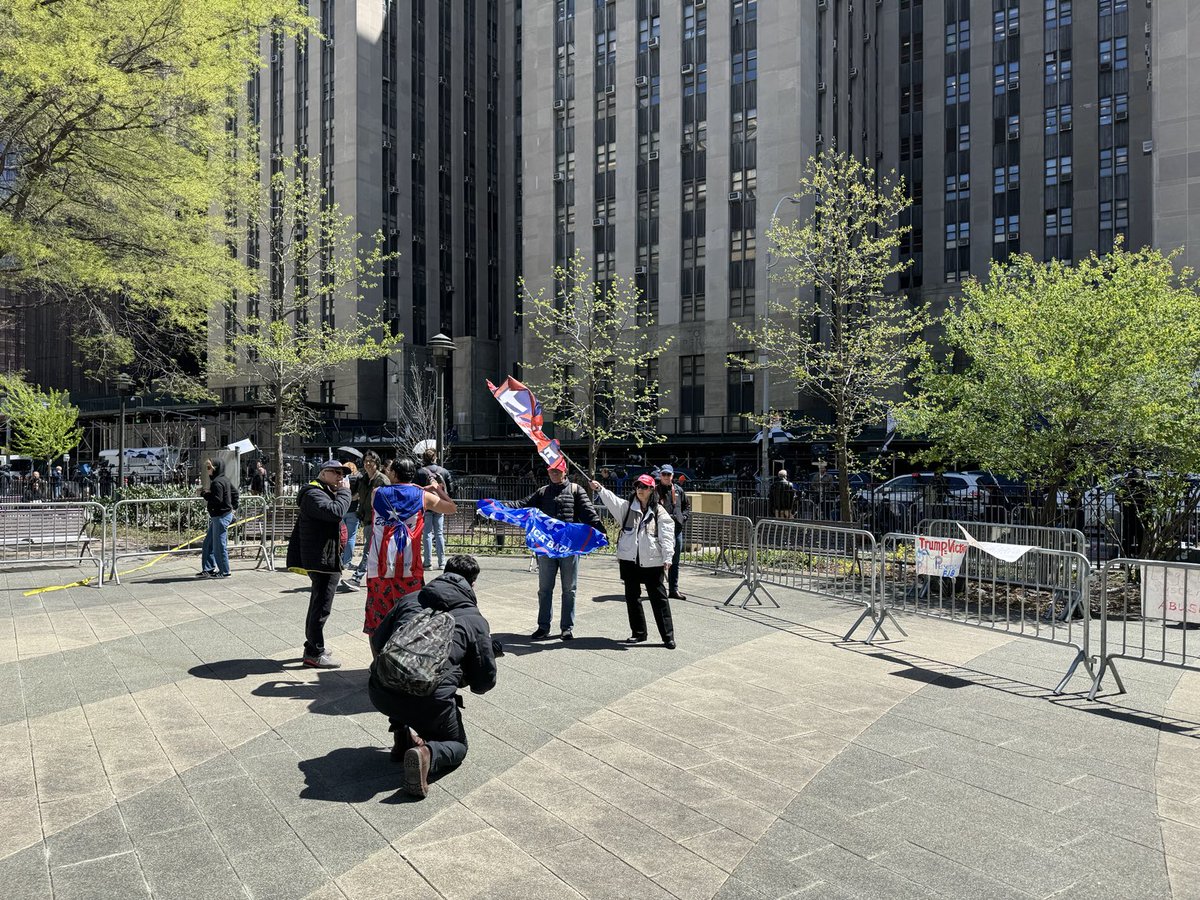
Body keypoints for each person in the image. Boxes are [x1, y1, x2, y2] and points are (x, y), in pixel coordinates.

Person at [367, 554, 498, 798]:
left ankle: (402, 738)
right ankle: (426, 755)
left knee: (403, 679)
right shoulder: (474, 620)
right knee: (457, 745)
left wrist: (386, 674)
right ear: (472, 584)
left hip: (380, 692)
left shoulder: (409, 598)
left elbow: (377, 640)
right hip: (430, 703)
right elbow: (483, 683)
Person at [363, 456, 457, 636]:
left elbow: (393, 492)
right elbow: (452, 508)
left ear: (394, 474)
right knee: (411, 615)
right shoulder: (424, 496)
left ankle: (378, 661)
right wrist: (437, 489)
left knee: (377, 618)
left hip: (379, 565)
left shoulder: (377, 493)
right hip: (409, 566)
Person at [519, 463, 604, 640]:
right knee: (544, 589)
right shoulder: (542, 491)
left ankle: (566, 627)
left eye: (558, 470)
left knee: (569, 589)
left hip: (569, 548)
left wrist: (600, 532)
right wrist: (499, 507)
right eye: (551, 471)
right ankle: (543, 626)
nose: (554, 473)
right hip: (547, 549)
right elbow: (522, 505)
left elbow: (589, 513)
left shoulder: (575, 490)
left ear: (565, 472)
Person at [591, 474, 677, 649]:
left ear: (651, 489)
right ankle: (638, 633)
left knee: (658, 599)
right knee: (632, 597)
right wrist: (600, 489)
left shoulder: (659, 511)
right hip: (629, 560)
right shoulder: (627, 507)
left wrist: (668, 557)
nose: (640, 489)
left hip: (653, 561)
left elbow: (667, 536)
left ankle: (668, 636)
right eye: (638, 485)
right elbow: (612, 500)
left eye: (644, 486)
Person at [287, 460, 353, 668]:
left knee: (319, 603)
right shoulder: (313, 493)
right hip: (320, 559)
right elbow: (335, 512)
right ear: (324, 473)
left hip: (325, 556)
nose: (341, 477)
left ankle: (313, 646)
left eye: (343, 474)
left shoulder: (322, 491)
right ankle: (314, 652)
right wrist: (345, 493)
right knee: (321, 606)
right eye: (336, 473)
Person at [346, 451, 388, 589]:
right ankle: (381, 578)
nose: (368, 464)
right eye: (366, 461)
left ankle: (357, 578)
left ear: (377, 463)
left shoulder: (382, 480)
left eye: (371, 461)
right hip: (367, 519)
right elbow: (358, 496)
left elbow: (388, 502)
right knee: (376, 552)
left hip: (378, 521)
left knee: (368, 551)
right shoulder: (363, 479)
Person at [655, 464, 690, 601]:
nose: (666, 477)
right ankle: (658, 588)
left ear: (672, 476)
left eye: (668, 475)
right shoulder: (655, 491)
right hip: (660, 531)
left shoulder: (679, 490)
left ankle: (673, 590)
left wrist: (683, 517)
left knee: (675, 561)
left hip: (676, 530)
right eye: (663, 474)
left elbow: (687, 506)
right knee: (659, 560)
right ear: (660, 475)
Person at [198, 458, 239, 578]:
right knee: (209, 543)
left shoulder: (217, 482)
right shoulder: (223, 480)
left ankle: (225, 571)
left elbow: (217, 499)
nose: (208, 470)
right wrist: (233, 508)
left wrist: (205, 494)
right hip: (220, 516)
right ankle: (209, 568)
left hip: (221, 516)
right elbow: (234, 493)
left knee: (218, 545)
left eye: (209, 468)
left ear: (215, 468)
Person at [415, 448, 453, 570]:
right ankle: (442, 563)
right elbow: (451, 489)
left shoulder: (420, 472)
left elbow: (415, 490)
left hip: (426, 506)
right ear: (435, 457)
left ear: (423, 458)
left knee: (427, 534)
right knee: (439, 533)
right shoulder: (444, 471)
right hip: (440, 505)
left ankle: (427, 563)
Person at [336, 461, 361, 590]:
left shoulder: (342, 479)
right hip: (353, 510)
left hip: (342, 510)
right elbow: (359, 494)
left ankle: (341, 560)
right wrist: (353, 498)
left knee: (342, 536)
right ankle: (347, 561)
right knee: (351, 536)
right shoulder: (358, 478)